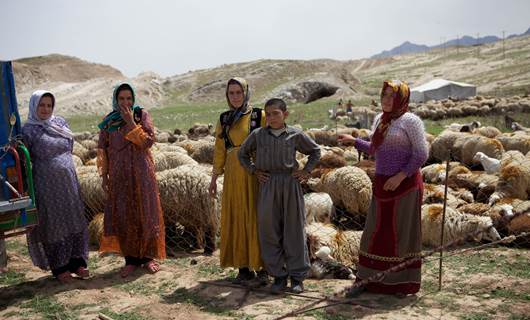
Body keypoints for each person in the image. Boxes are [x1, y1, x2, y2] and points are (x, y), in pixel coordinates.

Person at [338, 80, 428, 296]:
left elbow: (421, 154)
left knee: (401, 235)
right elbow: (375, 149)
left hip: (405, 186)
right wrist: (354, 141)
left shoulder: (411, 122)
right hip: (382, 184)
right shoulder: (380, 120)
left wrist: (400, 176)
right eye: (384, 95)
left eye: (391, 96)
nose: (386, 100)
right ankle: (367, 281)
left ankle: (400, 284)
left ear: (402, 98)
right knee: (375, 233)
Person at [238, 98, 321, 294]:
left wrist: (306, 171)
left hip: (290, 183)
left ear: (285, 114)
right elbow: (242, 154)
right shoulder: (258, 135)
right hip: (268, 184)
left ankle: (298, 277)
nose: (272, 117)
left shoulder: (295, 134)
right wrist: (253, 171)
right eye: (269, 114)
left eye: (276, 113)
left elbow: (315, 151)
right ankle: (279, 276)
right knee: (269, 230)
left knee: (294, 230)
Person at [97, 82, 165, 278]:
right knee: (125, 214)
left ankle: (148, 257)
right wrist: (104, 176)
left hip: (142, 173)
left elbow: (147, 142)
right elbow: (103, 149)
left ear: (133, 99)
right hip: (119, 175)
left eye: (129, 98)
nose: (125, 103)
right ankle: (131, 260)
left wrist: (131, 123)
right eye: (121, 99)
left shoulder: (140, 115)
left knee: (146, 212)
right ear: (115, 100)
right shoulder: (108, 122)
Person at [22, 90, 89, 283]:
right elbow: (26, 161)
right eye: (41, 105)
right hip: (46, 184)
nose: (45, 109)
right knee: (55, 223)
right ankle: (60, 267)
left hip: (68, 181)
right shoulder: (28, 131)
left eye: (49, 105)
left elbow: (70, 147)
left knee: (73, 218)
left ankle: (77, 263)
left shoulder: (60, 123)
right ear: (34, 106)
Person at [208, 77, 267, 285]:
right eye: (231, 93)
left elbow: (270, 140)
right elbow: (219, 150)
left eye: (238, 92)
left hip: (254, 172)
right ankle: (243, 267)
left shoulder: (259, 115)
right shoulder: (224, 119)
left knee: (255, 216)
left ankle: (262, 268)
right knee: (237, 217)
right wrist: (214, 178)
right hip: (233, 174)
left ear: (246, 93)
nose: (235, 97)